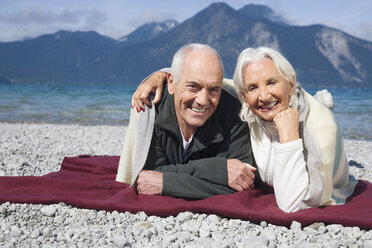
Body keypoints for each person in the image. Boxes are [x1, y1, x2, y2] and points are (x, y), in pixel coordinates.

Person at [131, 46, 357, 213]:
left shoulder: (322, 129)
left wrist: (289, 137)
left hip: (317, 135)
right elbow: (207, 79)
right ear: (243, 95)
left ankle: (321, 103)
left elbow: (293, 204)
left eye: (272, 82)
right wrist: (159, 75)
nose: (263, 95)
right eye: (252, 87)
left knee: (320, 113)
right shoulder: (247, 107)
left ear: (290, 83)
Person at [116, 43, 256, 199]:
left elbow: (242, 183)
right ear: (171, 83)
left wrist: (166, 183)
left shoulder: (234, 113)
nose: (203, 100)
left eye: (213, 89)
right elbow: (145, 178)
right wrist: (219, 170)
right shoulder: (149, 109)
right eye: (192, 87)